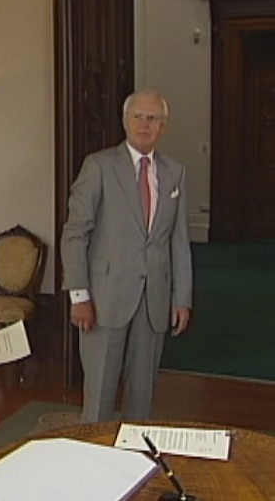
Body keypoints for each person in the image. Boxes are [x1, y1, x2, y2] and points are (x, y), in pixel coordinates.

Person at [60, 89, 193, 423]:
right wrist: (79, 296)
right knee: (100, 395)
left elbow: (178, 241)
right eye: (137, 117)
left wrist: (182, 299)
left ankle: (134, 460)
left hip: (154, 302)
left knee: (143, 395)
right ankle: (93, 461)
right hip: (105, 301)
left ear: (164, 126)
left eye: (153, 119)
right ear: (125, 122)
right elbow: (75, 234)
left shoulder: (175, 173)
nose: (144, 124)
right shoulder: (99, 166)